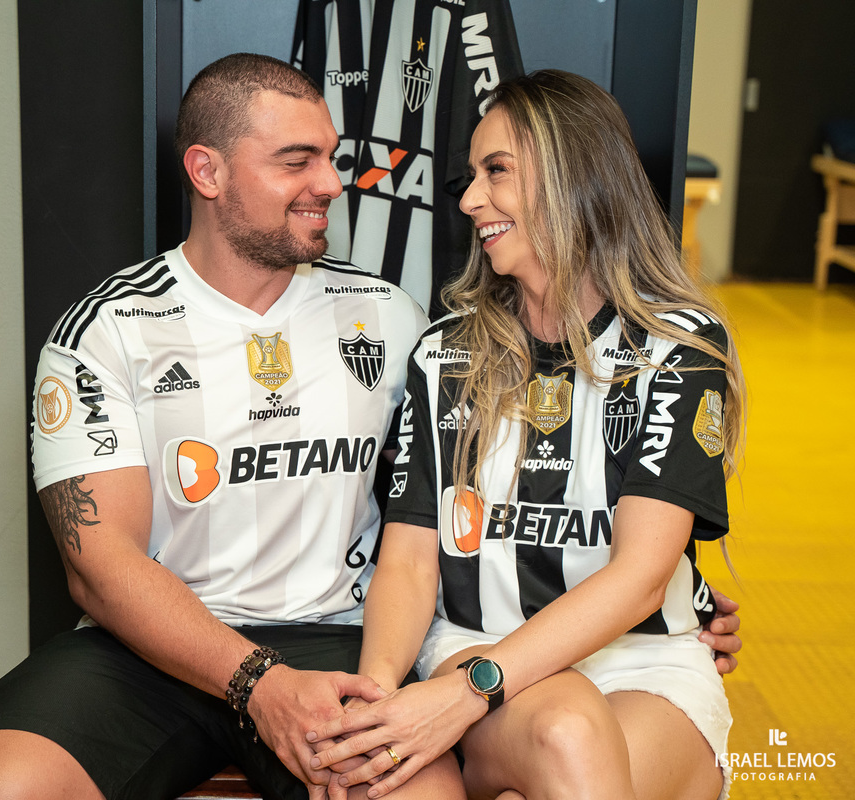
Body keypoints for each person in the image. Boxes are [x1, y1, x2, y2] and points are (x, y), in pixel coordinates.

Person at [0, 57, 742, 800]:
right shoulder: (108, 329)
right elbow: (100, 567)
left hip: (338, 643)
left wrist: (682, 592)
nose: (333, 182)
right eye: (297, 161)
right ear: (207, 171)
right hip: (152, 654)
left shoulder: (391, 320)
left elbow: (541, 489)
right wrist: (260, 680)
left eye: (331, 156)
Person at [308, 69, 746, 800]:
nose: (471, 199)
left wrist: (472, 694)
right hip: (472, 649)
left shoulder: (678, 347)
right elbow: (411, 563)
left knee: (556, 760)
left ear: (575, 174)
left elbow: (640, 579)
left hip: (643, 665)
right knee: (566, 731)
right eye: (470, 177)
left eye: (497, 171)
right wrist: (380, 695)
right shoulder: (444, 351)